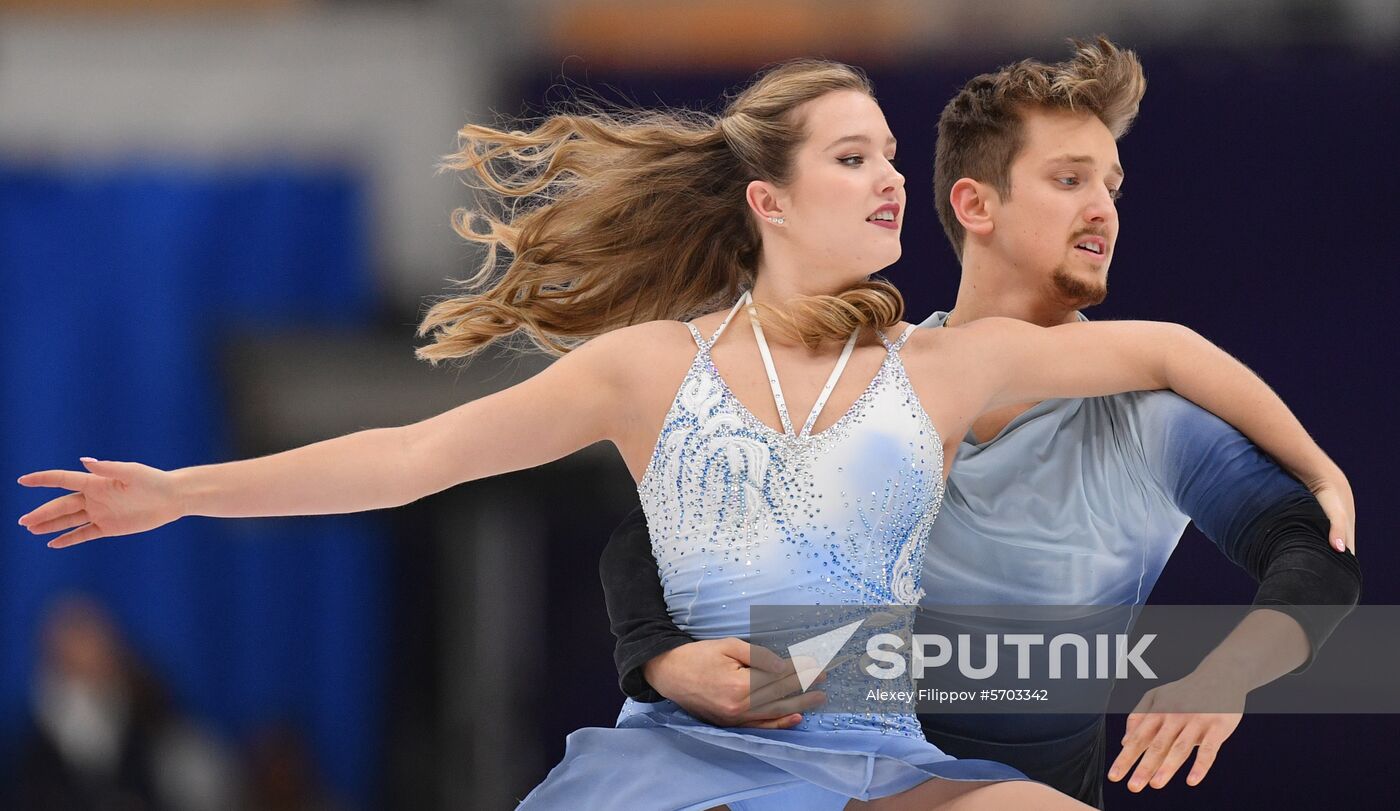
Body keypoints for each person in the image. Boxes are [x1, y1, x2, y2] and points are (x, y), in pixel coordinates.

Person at [17, 56, 1354, 811]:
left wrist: (1317, 470)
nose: (890, 177)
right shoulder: (649, 368)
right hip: (692, 759)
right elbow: (408, 459)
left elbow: (1173, 352)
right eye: (854, 158)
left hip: (875, 753)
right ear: (769, 201)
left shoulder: (951, 365)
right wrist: (181, 488)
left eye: (894, 155)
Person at [599, 38, 1363, 809]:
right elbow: (656, 531)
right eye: (1069, 179)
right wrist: (659, 658)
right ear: (975, 204)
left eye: (1111, 186)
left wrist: (1225, 674)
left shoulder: (1152, 420)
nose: (1102, 207)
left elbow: (1316, 558)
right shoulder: (868, 383)